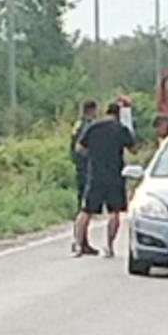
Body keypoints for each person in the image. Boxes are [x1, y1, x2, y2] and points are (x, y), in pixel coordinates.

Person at [75, 100, 138, 258]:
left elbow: (80, 148)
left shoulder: (94, 127)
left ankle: (78, 245)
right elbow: (134, 149)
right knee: (114, 212)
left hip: (95, 174)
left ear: (106, 112)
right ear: (118, 115)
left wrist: (93, 157)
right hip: (114, 176)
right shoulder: (121, 129)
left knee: (85, 211)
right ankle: (109, 246)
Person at [68, 100, 98, 255]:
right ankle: (80, 241)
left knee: (82, 206)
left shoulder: (78, 124)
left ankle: (82, 241)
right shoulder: (87, 126)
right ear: (91, 110)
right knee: (84, 208)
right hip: (85, 169)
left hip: (80, 168)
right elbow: (80, 148)